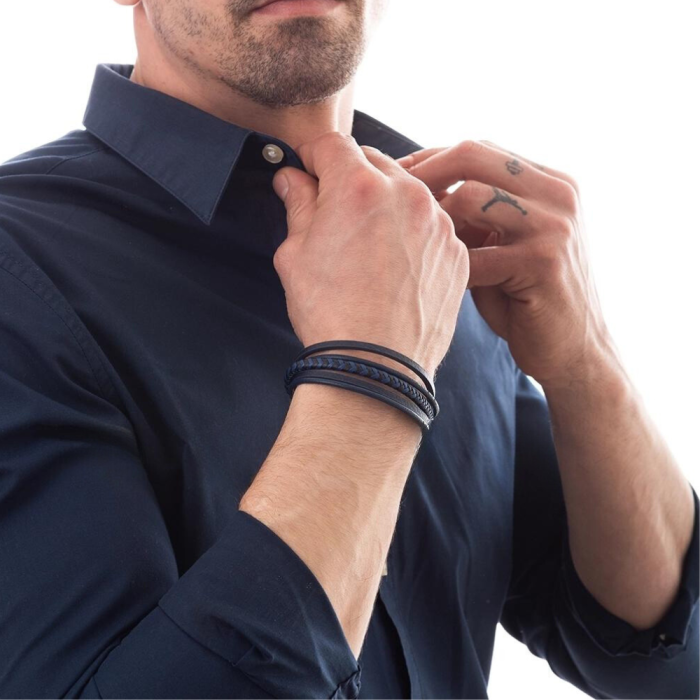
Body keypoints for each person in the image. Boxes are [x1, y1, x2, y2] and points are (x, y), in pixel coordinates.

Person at [0, 0, 697, 697]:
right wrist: (372, 372)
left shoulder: (436, 244)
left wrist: (586, 362)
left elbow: (659, 666)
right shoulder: (19, 272)